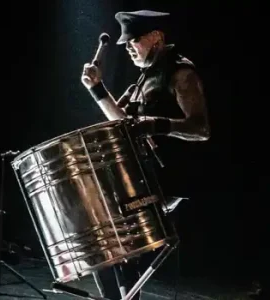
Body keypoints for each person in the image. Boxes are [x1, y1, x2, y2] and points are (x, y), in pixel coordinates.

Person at [81, 10, 211, 299]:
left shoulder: (180, 73)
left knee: (116, 235)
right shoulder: (142, 81)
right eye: (126, 43)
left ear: (157, 38)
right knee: (99, 237)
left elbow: (201, 128)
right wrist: (97, 89)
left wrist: (155, 124)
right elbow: (122, 123)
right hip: (143, 178)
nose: (128, 47)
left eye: (134, 40)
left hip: (170, 179)